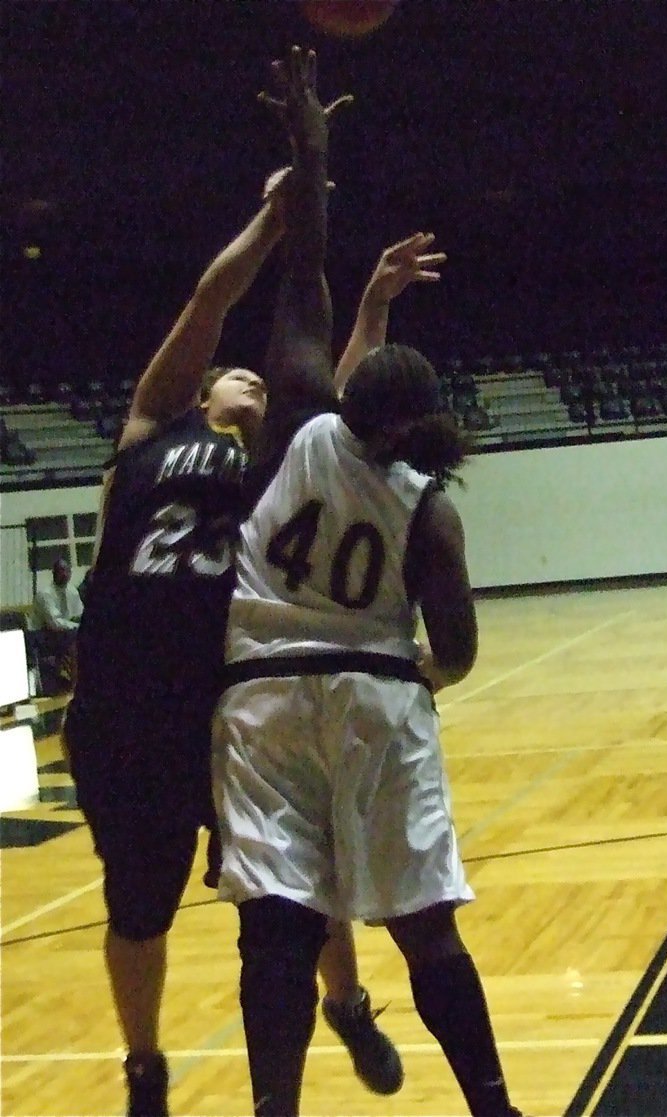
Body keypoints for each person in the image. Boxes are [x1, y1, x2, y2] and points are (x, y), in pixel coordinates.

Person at [61, 54, 401, 1115]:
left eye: (258, 375)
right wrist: (274, 214)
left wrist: (375, 301)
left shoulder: (288, 455)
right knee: (138, 910)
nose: (250, 377)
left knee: (294, 887)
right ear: (206, 389)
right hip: (122, 710)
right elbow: (215, 298)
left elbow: (334, 381)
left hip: (236, 705)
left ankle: (345, 1003)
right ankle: (145, 1065)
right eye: (233, 374)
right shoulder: (147, 434)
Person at [211, 48, 525, 1117]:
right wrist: (420, 672)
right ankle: (492, 1103)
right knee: (425, 924)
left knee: (278, 927)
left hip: (260, 695)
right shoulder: (427, 502)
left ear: (352, 402)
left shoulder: (300, 415)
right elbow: (462, 646)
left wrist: (310, 148)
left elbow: (304, 274)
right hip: (376, 700)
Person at [32, 557, 84, 691]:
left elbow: (79, 615)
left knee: (85, 635)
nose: (65, 574)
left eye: (67, 571)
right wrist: (78, 627)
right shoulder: (45, 594)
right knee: (74, 637)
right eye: (61, 571)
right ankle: (75, 684)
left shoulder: (72, 591)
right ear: (54, 573)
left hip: (63, 633)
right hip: (42, 635)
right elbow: (54, 623)